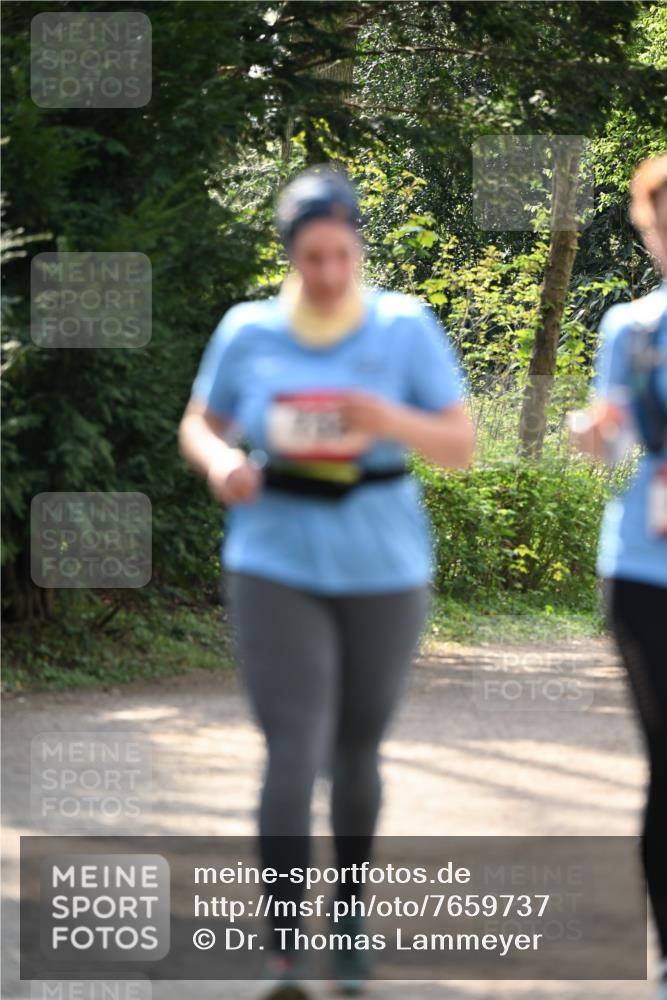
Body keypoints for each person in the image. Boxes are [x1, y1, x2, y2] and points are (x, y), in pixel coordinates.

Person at [178, 164, 474, 999]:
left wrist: (390, 421)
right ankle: (282, 950)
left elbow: (458, 445)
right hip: (274, 557)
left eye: (340, 254)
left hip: (384, 564)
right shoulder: (248, 331)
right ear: (290, 256)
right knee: (293, 748)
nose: (328, 273)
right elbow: (200, 423)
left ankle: (347, 916)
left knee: (355, 749)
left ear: (357, 248)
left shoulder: (404, 326)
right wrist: (222, 461)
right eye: (311, 258)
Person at [570, 153, 667, 1000]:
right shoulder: (631, 329)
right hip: (646, 568)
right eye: (662, 221)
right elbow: (617, 442)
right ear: (647, 231)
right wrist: (592, 433)